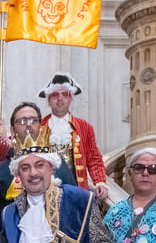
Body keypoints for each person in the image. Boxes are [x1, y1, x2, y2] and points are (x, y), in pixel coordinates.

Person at [0, 102, 76, 217]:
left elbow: (74, 201)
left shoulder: (58, 164)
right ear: (13, 131)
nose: (28, 124)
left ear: (40, 128)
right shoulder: (0, 171)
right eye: (22, 121)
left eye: (34, 120)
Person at [38, 72, 109, 201]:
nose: (60, 98)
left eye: (65, 94)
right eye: (55, 95)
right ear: (49, 100)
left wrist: (100, 181)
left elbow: (94, 159)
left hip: (75, 191)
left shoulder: (85, 127)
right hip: (45, 191)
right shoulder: (39, 127)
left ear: (71, 99)